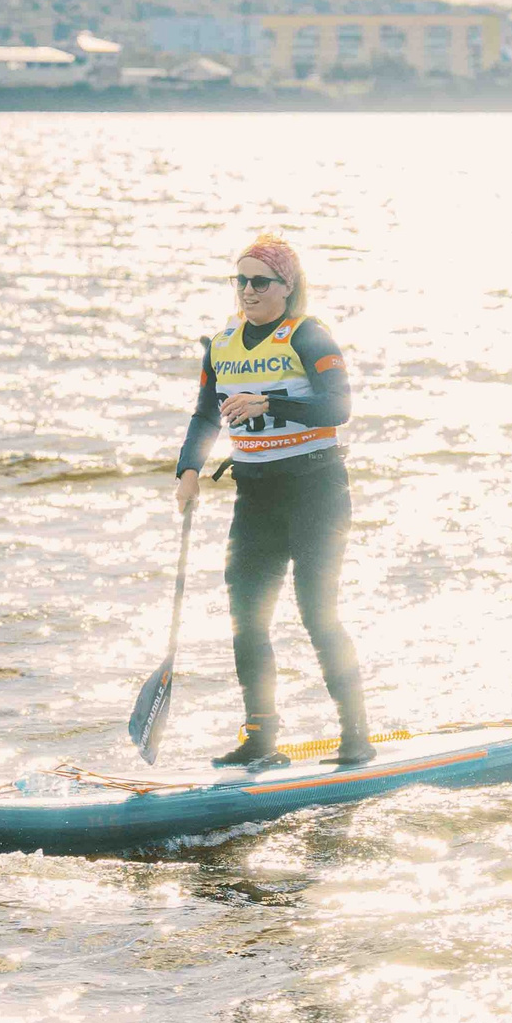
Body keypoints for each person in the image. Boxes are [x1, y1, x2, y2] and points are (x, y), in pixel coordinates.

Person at [173, 235, 374, 769]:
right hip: (256, 497)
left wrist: (271, 402)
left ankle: (356, 733)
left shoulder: (309, 336)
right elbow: (205, 415)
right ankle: (261, 739)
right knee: (247, 617)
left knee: (317, 614)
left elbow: (339, 407)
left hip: (316, 492)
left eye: (260, 280)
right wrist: (189, 470)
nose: (248, 290)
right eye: (240, 280)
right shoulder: (222, 345)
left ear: (288, 287)